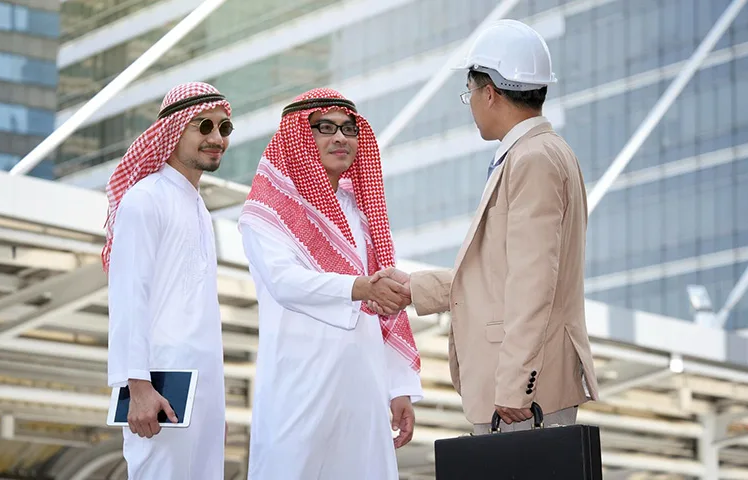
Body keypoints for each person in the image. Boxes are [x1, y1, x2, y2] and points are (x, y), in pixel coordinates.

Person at [371, 19, 599, 434]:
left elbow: (532, 281)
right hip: (527, 390)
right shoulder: (538, 153)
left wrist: (515, 384)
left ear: (490, 93)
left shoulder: (533, 159)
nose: (471, 104)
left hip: (525, 398)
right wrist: (414, 289)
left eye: (470, 93)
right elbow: (498, 272)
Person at [238, 88, 422, 480]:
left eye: (349, 129)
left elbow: (384, 306)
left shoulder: (362, 213)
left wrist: (399, 387)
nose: (340, 137)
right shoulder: (266, 212)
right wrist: (360, 288)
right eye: (325, 127)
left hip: (364, 390)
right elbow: (285, 282)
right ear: (298, 138)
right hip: (299, 386)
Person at [104, 82, 233, 478]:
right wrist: (138, 387)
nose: (216, 138)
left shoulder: (199, 209)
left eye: (224, 128)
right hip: (160, 386)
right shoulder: (145, 199)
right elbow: (129, 297)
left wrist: (213, 402)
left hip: (204, 388)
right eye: (204, 126)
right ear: (173, 130)